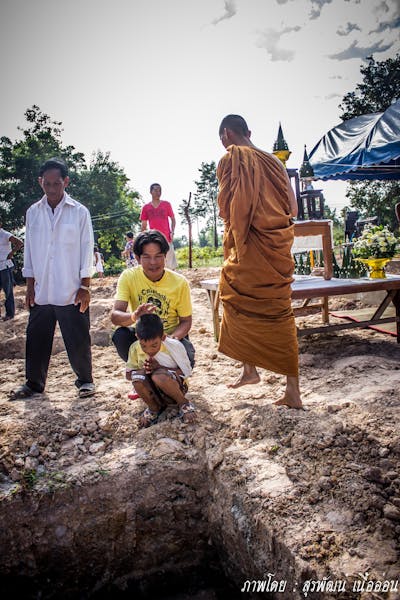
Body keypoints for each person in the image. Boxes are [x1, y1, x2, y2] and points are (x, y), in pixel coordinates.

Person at [216, 114, 302, 409]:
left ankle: (251, 371)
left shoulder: (232, 158)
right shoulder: (276, 163)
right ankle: (285, 387)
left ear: (226, 134)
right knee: (280, 312)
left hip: (249, 248)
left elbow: (227, 212)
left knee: (234, 298)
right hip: (275, 250)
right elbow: (292, 208)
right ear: (248, 131)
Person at [10, 158, 95, 400]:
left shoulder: (79, 212)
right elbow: (29, 251)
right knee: (36, 336)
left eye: (56, 183)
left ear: (65, 181)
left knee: (77, 336)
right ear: (40, 183)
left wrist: (85, 287)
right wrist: (29, 287)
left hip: (71, 288)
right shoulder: (33, 213)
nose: (51, 188)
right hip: (42, 288)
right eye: (46, 183)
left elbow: (86, 249)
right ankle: (34, 383)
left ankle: (85, 381)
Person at [111, 229, 195, 370]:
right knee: (120, 336)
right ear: (137, 258)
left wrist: (170, 340)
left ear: (166, 256)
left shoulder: (180, 282)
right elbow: (115, 316)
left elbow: (186, 321)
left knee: (188, 358)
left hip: (169, 337)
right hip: (143, 339)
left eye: (158, 256)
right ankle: (142, 371)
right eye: (147, 257)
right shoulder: (128, 277)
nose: (153, 263)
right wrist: (134, 316)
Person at [126, 313, 195, 427]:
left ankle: (183, 403)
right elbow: (128, 375)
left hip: (175, 387)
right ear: (137, 337)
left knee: (159, 376)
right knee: (137, 378)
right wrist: (145, 370)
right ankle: (153, 408)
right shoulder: (134, 348)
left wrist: (159, 368)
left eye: (154, 345)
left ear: (163, 337)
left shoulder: (173, 346)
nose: (149, 350)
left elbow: (185, 372)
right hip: (153, 391)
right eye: (143, 346)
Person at [140, 183, 177, 269]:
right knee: (158, 263)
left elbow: (173, 219)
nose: (158, 192)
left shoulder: (166, 204)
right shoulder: (146, 207)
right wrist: (143, 238)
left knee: (170, 263)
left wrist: (172, 231)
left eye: (160, 190)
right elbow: (144, 225)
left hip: (167, 237)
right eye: (155, 190)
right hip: (154, 239)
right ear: (151, 192)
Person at [0, 219, 23, 321]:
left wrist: (11, 253)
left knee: (8, 291)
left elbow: (19, 242)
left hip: (5, 266)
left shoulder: (5, 234)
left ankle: (10, 314)